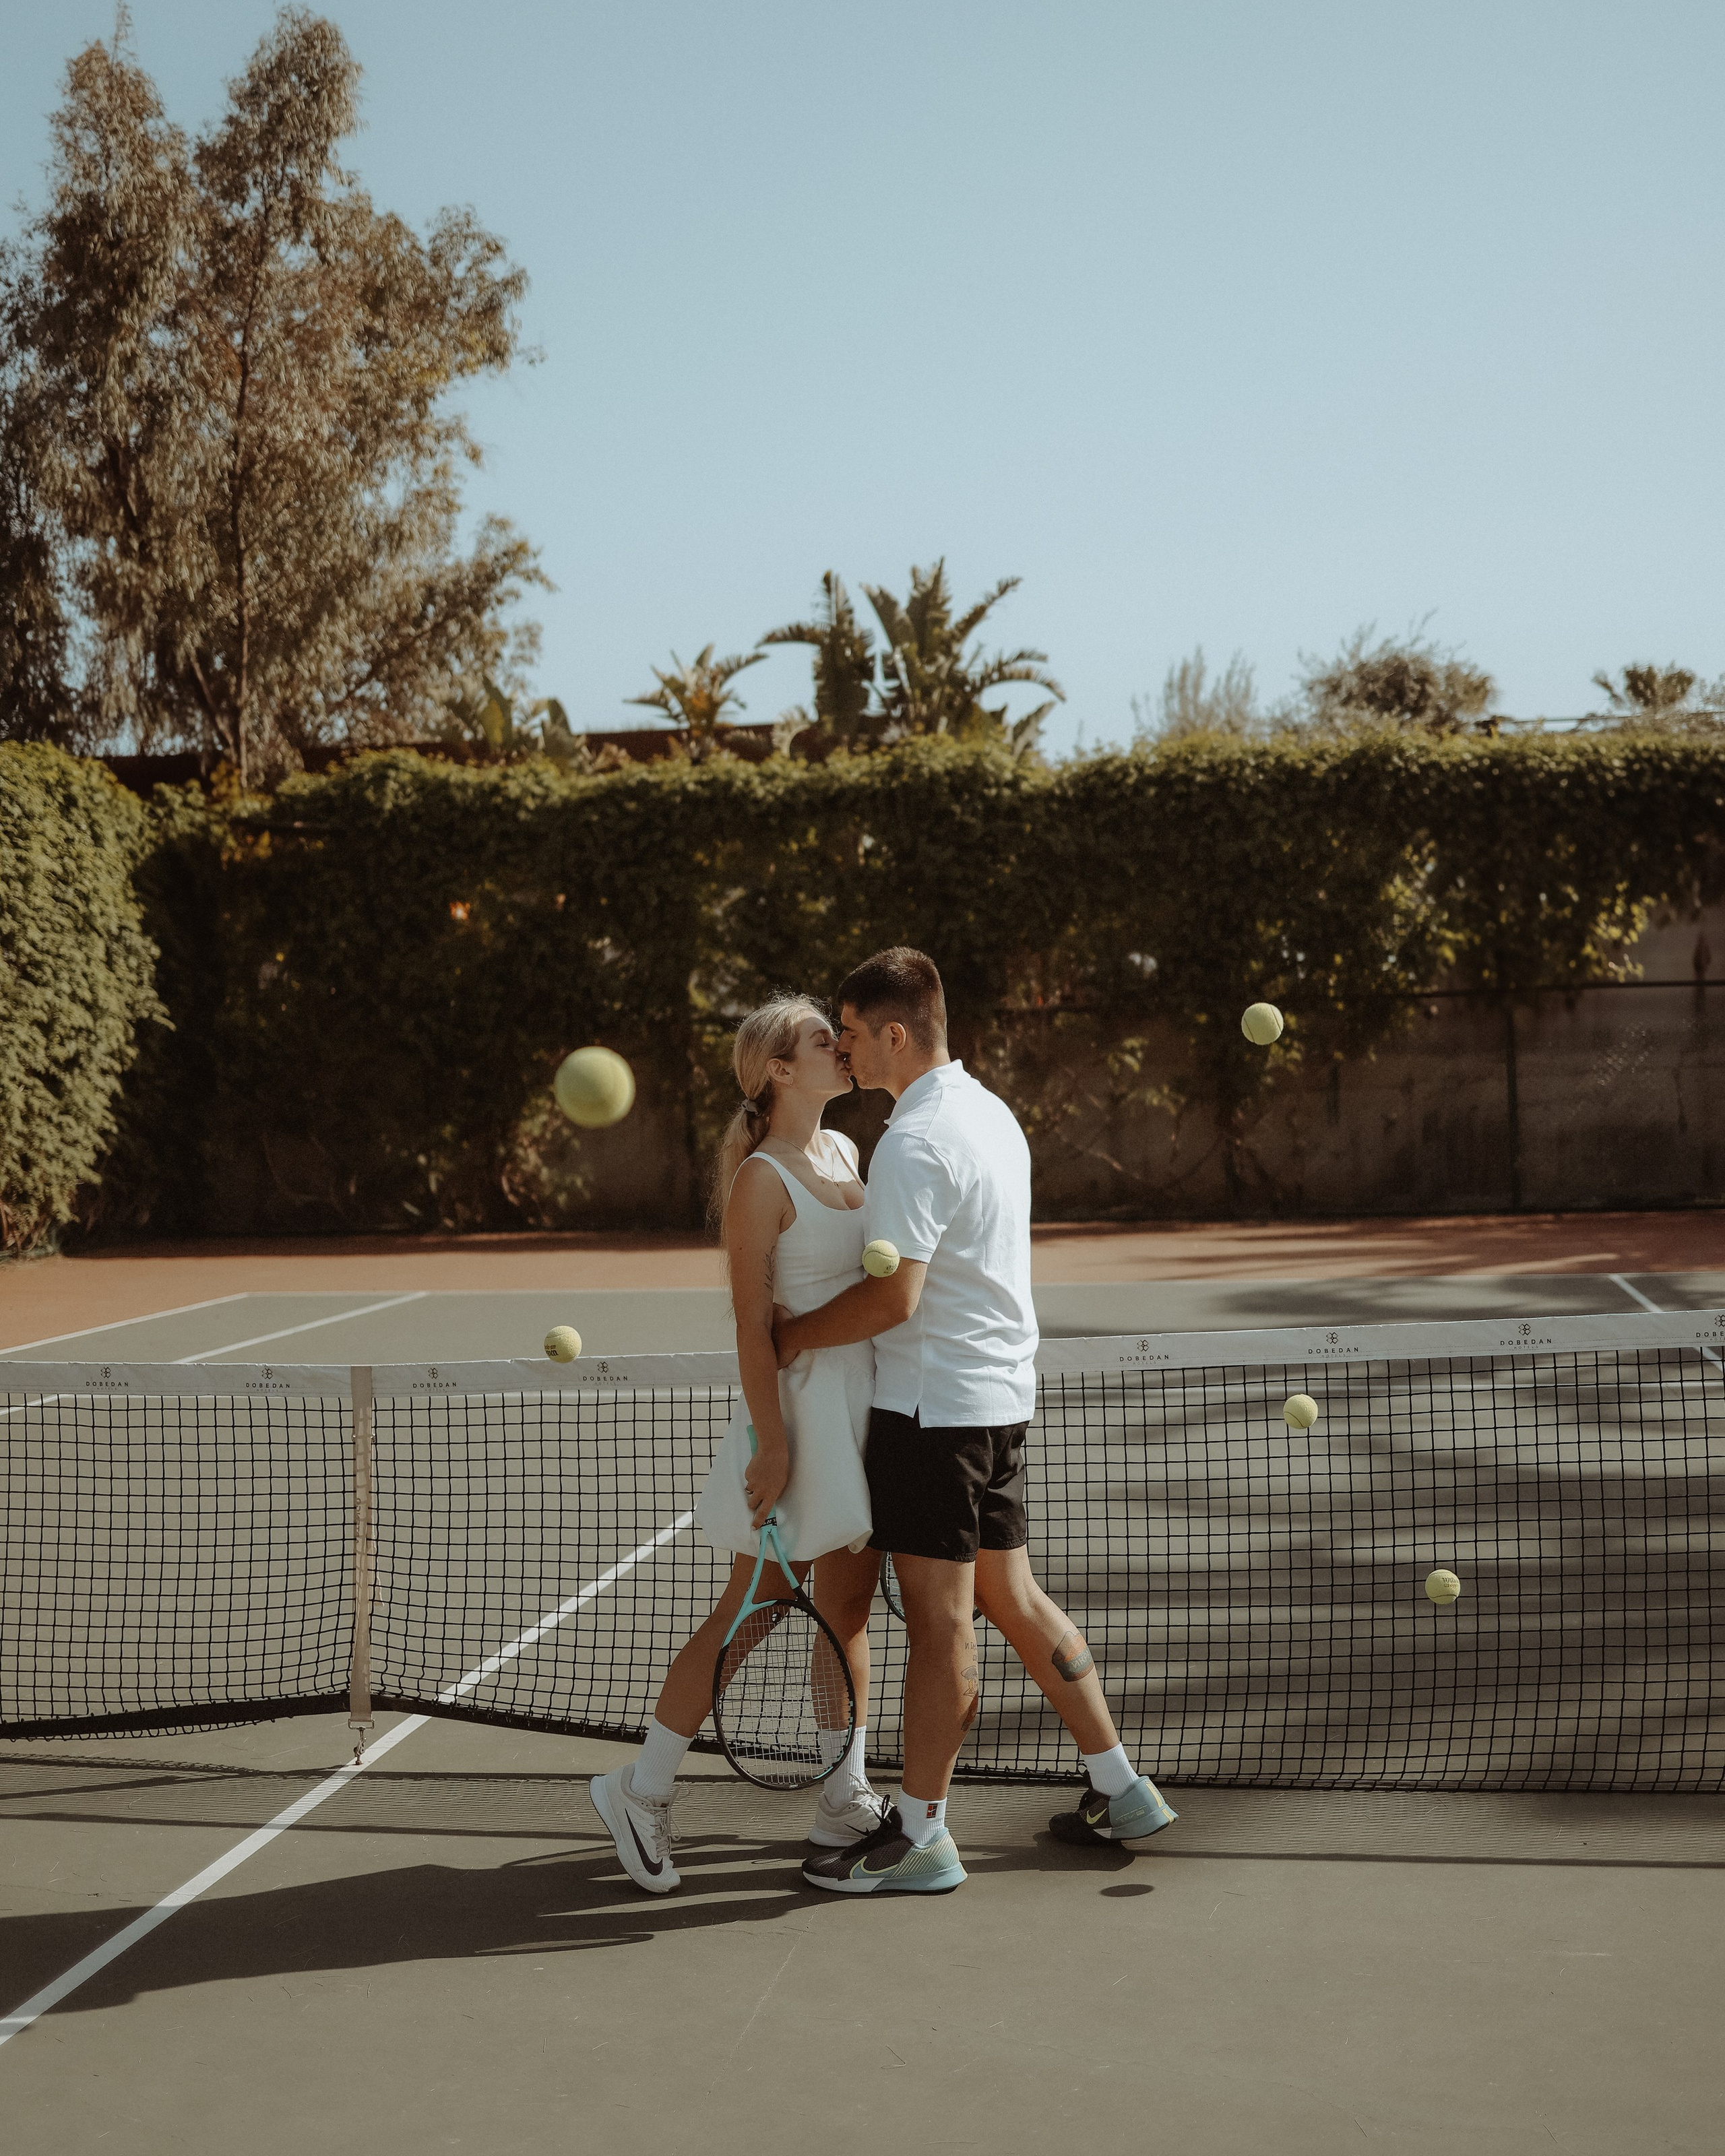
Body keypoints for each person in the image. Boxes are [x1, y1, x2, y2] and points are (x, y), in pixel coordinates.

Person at [774, 947, 1177, 1895]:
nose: (847, 1048)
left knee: (938, 1627)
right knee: (1014, 1598)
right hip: (1000, 1403)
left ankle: (919, 1834)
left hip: (932, 1418)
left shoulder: (912, 1142)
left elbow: (894, 1299)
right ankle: (1120, 1786)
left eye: (857, 1032)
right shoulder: (989, 1114)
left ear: (898, 1033)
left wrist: (795, 1334)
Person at [589, 995, 891, 1893]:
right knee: (752, 1612)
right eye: (818, 1040)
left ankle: (844, 1794)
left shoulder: (844, 1150)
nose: (840, 1047)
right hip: (798, 1421)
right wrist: (771, 1447)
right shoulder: (762, 1181)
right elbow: (752, 1329)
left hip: (863, 1409)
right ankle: (639, 1793)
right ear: (778, 1072)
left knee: (849, 1610)